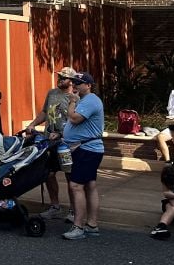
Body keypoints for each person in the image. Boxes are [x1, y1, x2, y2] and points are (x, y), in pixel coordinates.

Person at [24, 66, 77, 220]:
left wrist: (61, 133)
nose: (60, 80)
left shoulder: (75, 98)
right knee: (48, 173)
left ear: (72, 81)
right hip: (49, 142)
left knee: (70, 176)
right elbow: (45, 113)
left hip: (66, 144)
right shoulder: (52, 93)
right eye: (59, 77)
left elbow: (75, 121)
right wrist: (33, 124)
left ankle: (74, 210)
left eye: (64, 78)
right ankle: (55, 206)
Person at [61, 72, 104, 241]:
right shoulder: (85, 101)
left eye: (79, 83)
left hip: (88, 149)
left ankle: (78, 226)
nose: (75, 86)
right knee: (90, 185)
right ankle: (92, 225)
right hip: (85, 148)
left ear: (88, 85)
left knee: (76, 186)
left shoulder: (91, 100)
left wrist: (72, 102)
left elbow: (74, 118)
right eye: (74, 82)